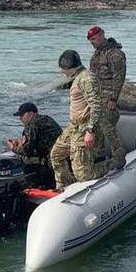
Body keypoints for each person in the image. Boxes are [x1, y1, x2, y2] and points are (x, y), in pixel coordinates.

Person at [49, 50, 109, 192]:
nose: (61, 71)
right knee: (56, 154)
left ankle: (111, 164)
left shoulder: (86, 79)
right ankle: (64, 186)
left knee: (83, 175)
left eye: (62, 68)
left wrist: (90, 130)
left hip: (84, 128)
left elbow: (96, 105)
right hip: (73, 127)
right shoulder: (77, 79)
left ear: (68, 67)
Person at [87, 26, 127, 170]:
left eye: (94, 39)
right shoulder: (97, 54)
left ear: (102, 35)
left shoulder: (115, 54)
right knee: (96, 127)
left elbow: (119, 78)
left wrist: (113, 99)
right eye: (90, 40)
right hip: (96, 97)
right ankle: (98, 156)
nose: (92, 42)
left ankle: (119, 154)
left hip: (108, 97)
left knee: (107, 126)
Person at [5, 102, 62, 189]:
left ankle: (28, 187)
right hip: (62, 158)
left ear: (31, 114)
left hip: (51, 162)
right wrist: (20, 143)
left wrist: (13, 147)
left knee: (19, 159)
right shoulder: (46, 118)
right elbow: (37, 142)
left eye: (22, 115)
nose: (20, 118)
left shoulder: (32, 125)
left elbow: (26, 151)